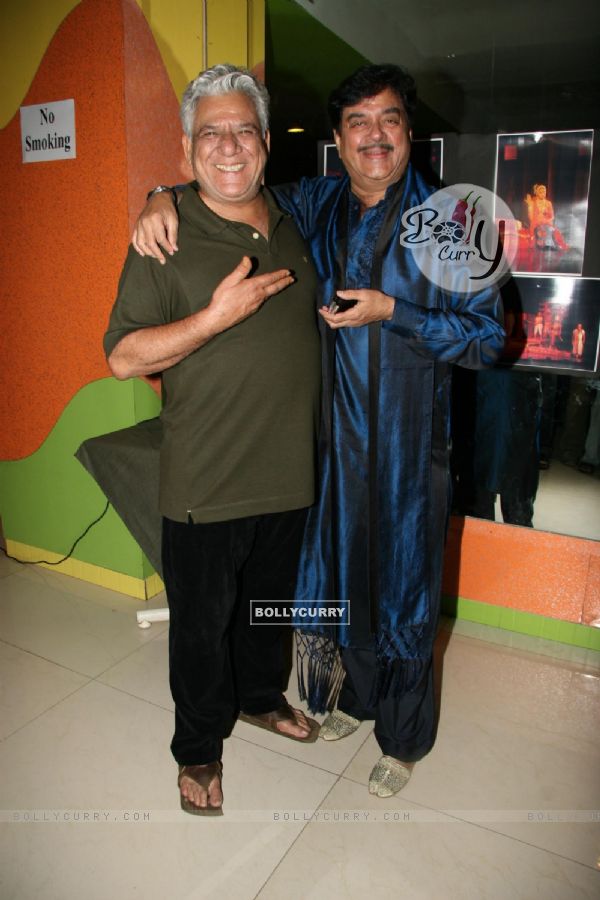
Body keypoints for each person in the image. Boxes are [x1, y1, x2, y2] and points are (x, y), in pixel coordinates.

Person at [133, 63, 505, 798]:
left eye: (389, 120)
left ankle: (401, 737)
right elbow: (229, 189)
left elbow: (491, 341)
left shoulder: (456, 219)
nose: (375, 136)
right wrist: (158, 196)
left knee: (404, 588)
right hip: (328, 447)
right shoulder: (316, 202)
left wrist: (396, 313)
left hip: (405, 446)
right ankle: (353, 698)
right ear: (336, 140)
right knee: (334, 580)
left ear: (409, 132)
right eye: (358, 123)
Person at [104, 65, 321, 816]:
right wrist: (211, 319)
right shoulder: (162, 238)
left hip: (289, 473)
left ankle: (261, 696)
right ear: (188, 147)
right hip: (205, 482)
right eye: (209, 133)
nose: (227, 146)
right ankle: (197, 750)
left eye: (241, 130)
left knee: (267, 609)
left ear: (264, 140)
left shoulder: (298, 219)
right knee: (200, 630)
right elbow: (123, 356)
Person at [524, 183, 568, 250]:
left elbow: (552, 216)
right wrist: (530, 206)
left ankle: (554, 244)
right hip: (536, 223)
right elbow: (531, 216)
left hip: (547, 223)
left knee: (553, 230)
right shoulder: (533, 203)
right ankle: (540, 244)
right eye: (541, 192)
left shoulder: (548, 203)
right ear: (537, 193)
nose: (543, 193)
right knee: (539, 230)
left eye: (544, 192)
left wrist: (547, 220)